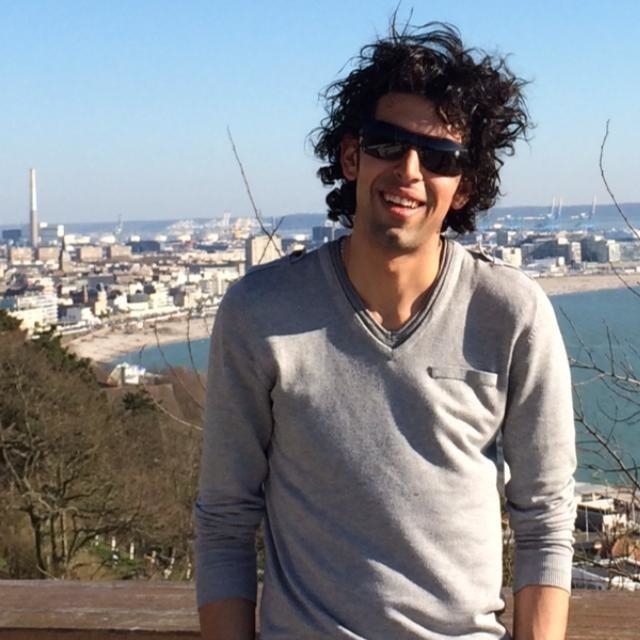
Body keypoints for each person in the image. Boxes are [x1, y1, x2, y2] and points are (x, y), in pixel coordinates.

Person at [195, 22, 576, 640]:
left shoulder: (511, 314)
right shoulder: (259, 313)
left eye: (440, 157)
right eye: (388, 144)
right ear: (351, 156)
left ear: (464, 187)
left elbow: (546, 519)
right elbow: (224, 521)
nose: (409, 171)